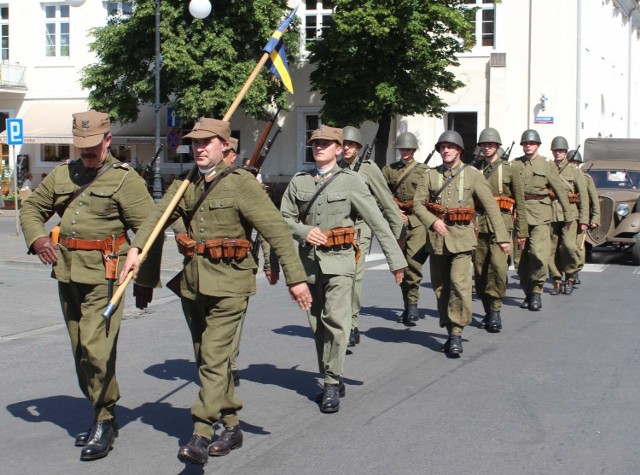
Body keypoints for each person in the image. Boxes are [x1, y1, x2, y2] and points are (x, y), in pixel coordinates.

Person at [120, 117, 311, 466]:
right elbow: (157, 216)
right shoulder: (186, 182)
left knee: (214, 358)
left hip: (231, 285)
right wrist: (137, 249)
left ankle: (200, 434)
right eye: (195, 143)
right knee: (207, 359)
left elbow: (278, 233)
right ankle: (233, 425)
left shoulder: (241, 184)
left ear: (225, 146)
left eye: (207, 142)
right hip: (194, 284)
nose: (199, 148)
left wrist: (295, 279)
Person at [19, 110, 161, 461]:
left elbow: (150, 232)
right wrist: (37, 238)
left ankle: (105, 417)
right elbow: (32, 208)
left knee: (97, 350)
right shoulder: (63, 173)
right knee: (81, 350)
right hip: (67, 273)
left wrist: (145, 281)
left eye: (93, 146)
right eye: (81, 146)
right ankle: (101, 409)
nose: (87, 152)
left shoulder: (125, 180)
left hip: (107, 276)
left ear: (108, 140)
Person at [280, 125, 407, 413]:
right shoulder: (300, 182)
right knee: (318, 326)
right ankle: (331, 373)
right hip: (309, 264)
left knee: (337, 322)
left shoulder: (351, 181)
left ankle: (329, 381)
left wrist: (396, 261)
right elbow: (281, 219)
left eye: (326, 144)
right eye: (316, 143)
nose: (319, 147)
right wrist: (302, 230)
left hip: (340, 262)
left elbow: (377, 220)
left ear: (339, 149)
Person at [413, 130, 510, 356]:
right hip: (437, 241)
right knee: (441, 289)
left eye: (450, 147)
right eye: (442, 147)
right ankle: (448, 328)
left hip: (462, 240)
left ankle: (457, 332)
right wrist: (432, 222)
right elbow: (418, 205)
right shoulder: (429, 176)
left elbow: (491, 207)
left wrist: (503, 237)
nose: (446, 150)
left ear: (459, 150)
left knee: (460, 285)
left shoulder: (474, 175)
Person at [338, 126, 405, 347]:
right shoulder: (335, 168)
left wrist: (396, 238)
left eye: (351, 144)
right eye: (343, 144)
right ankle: (339, 322)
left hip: (360, 228)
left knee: (354, 277)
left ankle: (352, 324)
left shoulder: (368, 169)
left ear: (358, 147)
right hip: (338, 230)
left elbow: (386, 202)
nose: (346, 148)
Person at [473, 128, 528, 332]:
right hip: (479, 224)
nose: (487, 148)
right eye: (484, 145)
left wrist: (522, 232)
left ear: (497, 146)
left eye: (490, 144)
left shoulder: (510, 169)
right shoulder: (473, 169)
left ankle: (495, 311)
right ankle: (487, 310)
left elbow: (520, 203)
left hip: (502, 225)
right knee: (480, 270)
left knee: (497, 267)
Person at [511, 129, 573, 311]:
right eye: (525, 143)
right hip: (519, 215)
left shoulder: (547, 165)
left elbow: (560, 190)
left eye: (531, 143)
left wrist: (568, 215)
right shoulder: (515, 164)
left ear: (537, 145)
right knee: (519, 259)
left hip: (540, 215)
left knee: (538, 253)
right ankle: (528, 292)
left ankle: (537, 291)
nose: (528, 146)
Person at [382, 132, 430, 326]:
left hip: (417, 220)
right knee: (400, 264)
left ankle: (413, 303)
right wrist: (395, 212)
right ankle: (406, 304)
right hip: (397, 220)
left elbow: (429, 196)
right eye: (402, 148)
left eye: (409, 149)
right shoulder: (389, 170)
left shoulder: (424, 170)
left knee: (413, 263)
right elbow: (383, 194)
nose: (405, 152)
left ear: (414, 150)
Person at [547, 137, 589, 296]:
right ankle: (557, 280)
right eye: (556, 150)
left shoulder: (574, 171)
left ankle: (570, 276)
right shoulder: (548, 168)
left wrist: (584, 220)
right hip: (551, 213)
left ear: (565, 152)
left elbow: (584, 197)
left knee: (569, 247)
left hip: (570, 214)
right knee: (552, 250)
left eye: (561, 151)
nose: (558, 153)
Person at [567, 149, 599, 285]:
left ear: (579, 163)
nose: (573, 165)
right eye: (571, 163)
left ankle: (575, 270)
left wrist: (595, 218)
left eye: (575, 163)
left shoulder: (586, 178)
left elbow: (594, 199)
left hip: (582, 214)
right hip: (567, 214)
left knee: (578, 245)